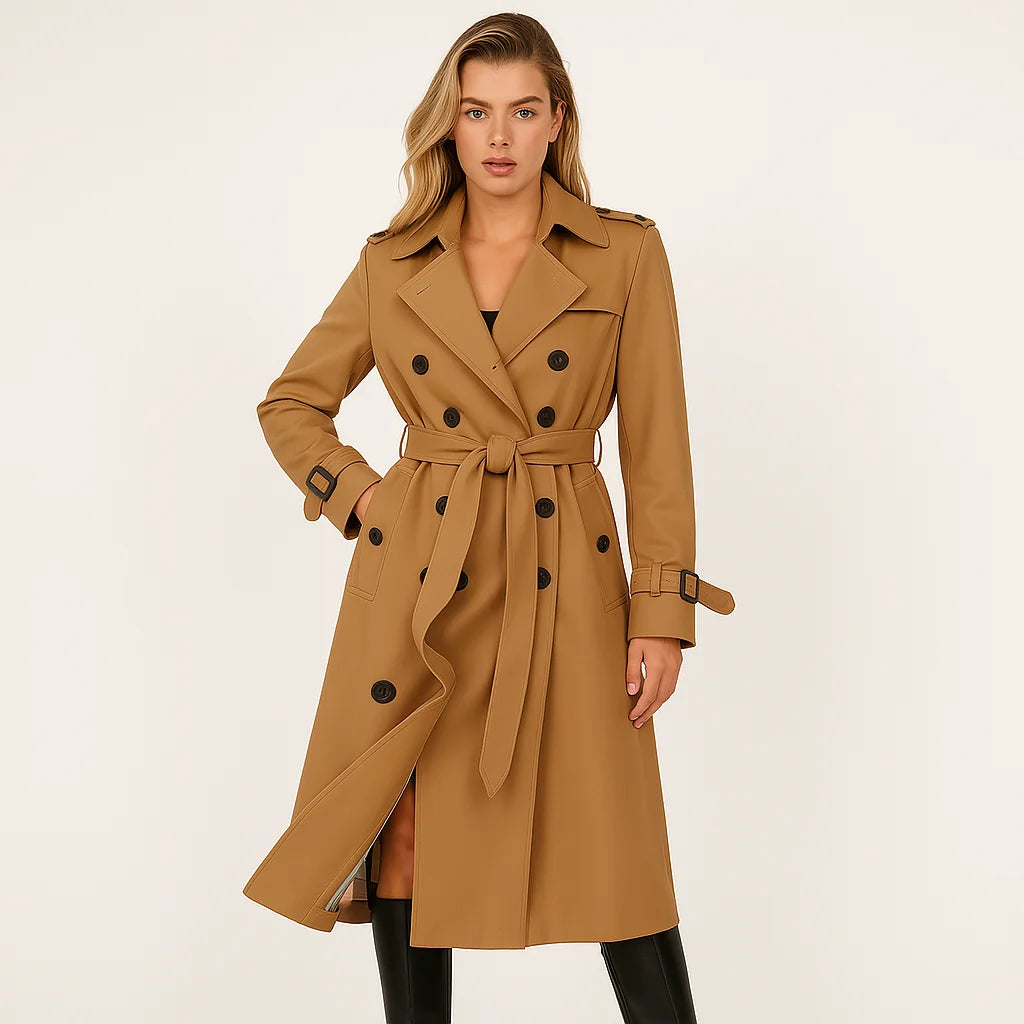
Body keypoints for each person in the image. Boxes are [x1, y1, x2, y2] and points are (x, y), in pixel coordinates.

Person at [243, 12, 735, 1023]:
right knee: (404, 840)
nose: (499, 136)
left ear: (557, 120)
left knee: (615, 857)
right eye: (476, 112)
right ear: (450, 125)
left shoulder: (624, 254)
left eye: (521, 111)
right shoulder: (393, 262)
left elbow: (658, 449)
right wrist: (369, 499)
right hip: (426, 581)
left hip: (570, 580)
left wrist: (660, 615)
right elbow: (292, 403)